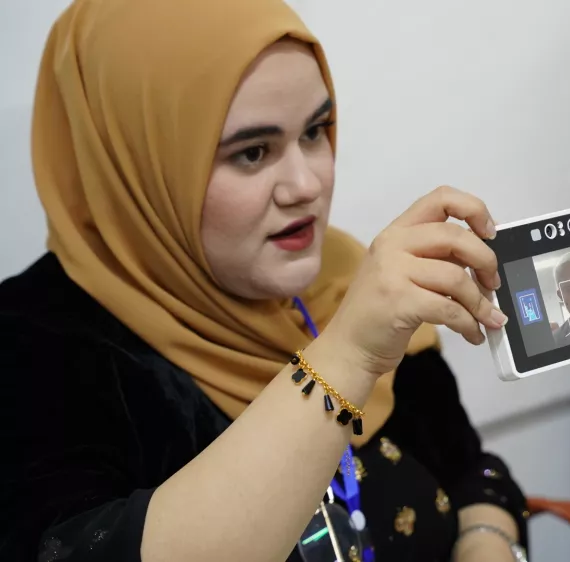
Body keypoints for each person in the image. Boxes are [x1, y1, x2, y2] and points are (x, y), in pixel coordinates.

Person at [0, 1, 529, 561]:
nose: (307, 183)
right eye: (252, 152)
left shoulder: (345, 279)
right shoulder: (33, 347)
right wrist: (346, 354)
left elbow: (472, 466)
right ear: (138, 164)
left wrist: (485, 540)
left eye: (316, 131)